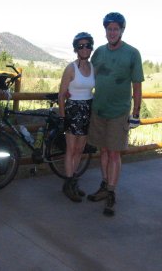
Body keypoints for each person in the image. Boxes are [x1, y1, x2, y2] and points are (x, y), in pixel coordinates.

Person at [87, 12, 144, 216]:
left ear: (121, 31)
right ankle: (104, 185)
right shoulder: (99, 53)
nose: (112, 32)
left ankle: (111, 191)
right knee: (102, 151)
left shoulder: (132, 53)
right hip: (99, 109)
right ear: (105, 31)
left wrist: (136, 112)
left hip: (119, 112)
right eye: (109, 29)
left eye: (115, 29)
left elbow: (137, 86)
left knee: (113, 153)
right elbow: (89, 78)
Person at [58, 32, 95, 202]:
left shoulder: (92, 67)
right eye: (81, 46)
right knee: (71, 150)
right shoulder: (70, 68)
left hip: (88, 109)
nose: (84, 48)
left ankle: (73, 182)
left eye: (87, 45)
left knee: (80, 150)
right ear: (75, 49)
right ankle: (68, 184)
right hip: (73, 110)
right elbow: (61, 95)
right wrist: (63, 116)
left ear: (91, 47)